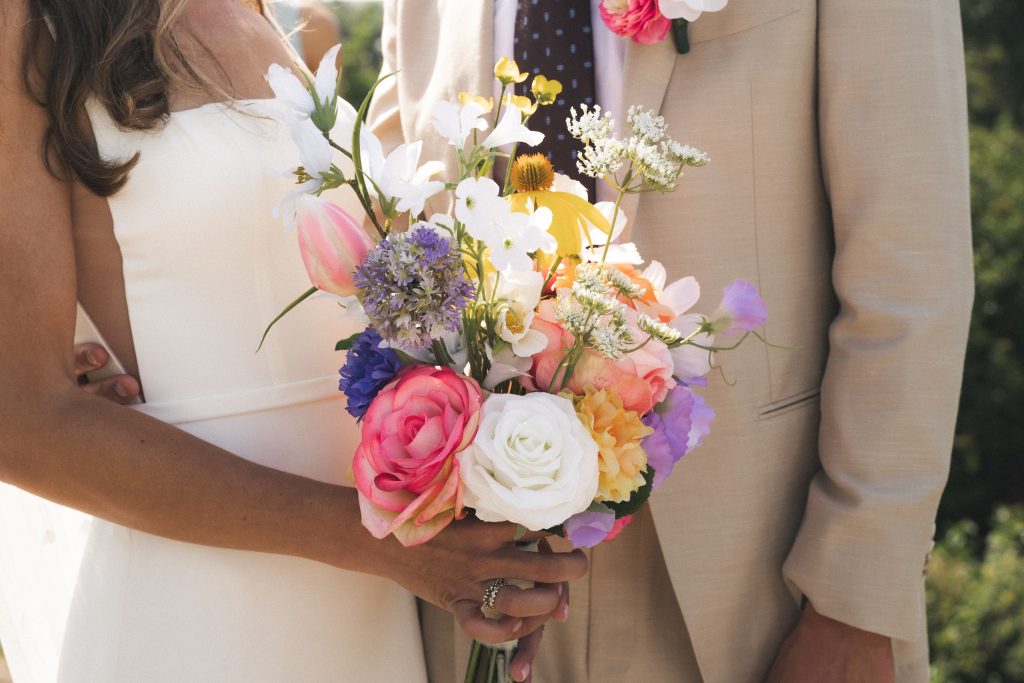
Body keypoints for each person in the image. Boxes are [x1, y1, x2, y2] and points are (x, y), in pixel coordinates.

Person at [363, 0, 974, 681]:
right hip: (485, 597)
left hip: (758, 584)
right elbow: (398, 240)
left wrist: (854, 607)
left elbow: (909, 269)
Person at [0, 1, 582, 680]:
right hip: (192, 609)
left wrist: (500, 505)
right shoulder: (28, 24)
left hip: (372, 609)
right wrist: (390, 548)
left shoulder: (272, 12)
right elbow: (20, 418)